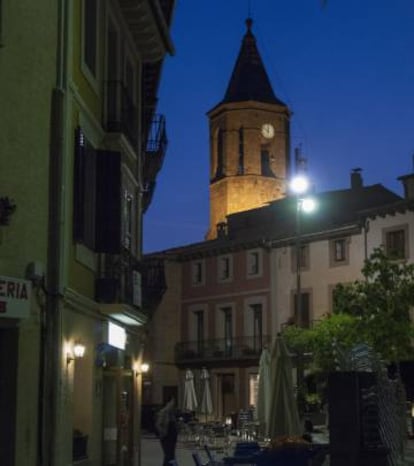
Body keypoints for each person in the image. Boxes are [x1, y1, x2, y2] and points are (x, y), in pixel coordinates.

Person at [155, 397, 178, 466]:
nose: (173, 403)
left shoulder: (172, 412)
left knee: (171, 455)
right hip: (166, 437)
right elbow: (158, 424)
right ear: (168, 403)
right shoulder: (163, 412)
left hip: (172, 437)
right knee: (168, 455)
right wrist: (163, 433)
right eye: (172, 401)